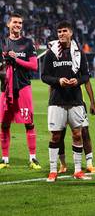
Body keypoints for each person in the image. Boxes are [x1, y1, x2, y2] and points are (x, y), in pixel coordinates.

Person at [41, 21, 91, 182]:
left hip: (75, 100)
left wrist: (77, 81)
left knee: (77, 134)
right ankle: (53, 170)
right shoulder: (51, 53)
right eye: (59, 31)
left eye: (64, 31)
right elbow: (44, 76)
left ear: (71, 33)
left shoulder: (79, 53)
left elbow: (86, 75)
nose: (61, 34)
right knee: (55, 136)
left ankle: (77, 170)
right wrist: (58, 81)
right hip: (57, 100)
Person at [0, 13, 40, 170]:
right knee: (4, 124)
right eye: (15, 22)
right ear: (8, 24)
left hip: (23, 87)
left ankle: (33, 158)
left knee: (29, 123)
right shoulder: (2, 43)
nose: (18, 25)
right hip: (6, 88)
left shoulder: (28, 43)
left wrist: (16, 59)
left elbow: (34, 66)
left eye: (20, 23)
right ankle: (4, 159)